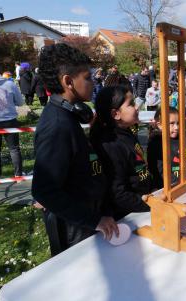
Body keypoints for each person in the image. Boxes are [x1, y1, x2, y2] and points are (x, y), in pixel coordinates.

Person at [31, 43, 118, 256]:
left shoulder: (69, 117)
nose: (92, 82)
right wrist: (95, 220)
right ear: (68, 82)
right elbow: (44, 190)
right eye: (87, 78)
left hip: (87, 221)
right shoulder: (58, 126)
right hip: (76, 231)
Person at [90, 85, 152, 219]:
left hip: (143, 204)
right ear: (115, 114)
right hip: (129, 217)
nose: (136, 107)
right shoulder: (110, 145)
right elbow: (118, 194)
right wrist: (152, 205)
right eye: (131, 104)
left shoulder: (126, 131)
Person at [147, 107, 186, 189]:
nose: (176, 127)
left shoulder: (184, 139)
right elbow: (159, 171)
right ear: (160, 125)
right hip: (170, 188)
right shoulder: (156, 144)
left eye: (178, 123)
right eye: (172, 123)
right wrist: (179, 183)